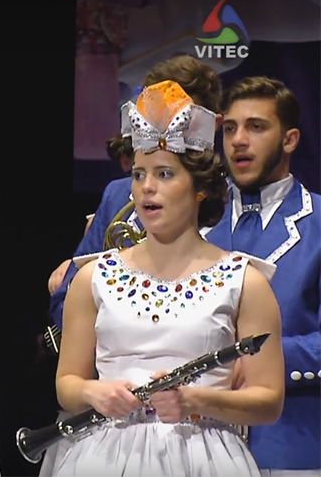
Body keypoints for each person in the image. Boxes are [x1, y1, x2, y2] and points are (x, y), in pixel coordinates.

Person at [42, 80, 284, 476]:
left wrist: (194, 401)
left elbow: (268, 399)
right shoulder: (94, 277)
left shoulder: (245, 280)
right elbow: (67, 382)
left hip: (204, 457)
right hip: (104, 457)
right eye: (139, 174)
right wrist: (94, 392)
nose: (146, 188)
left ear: (200, 187)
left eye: (165, 174)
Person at [47, 55, 223, 327]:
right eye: (154, 112)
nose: (163, 127)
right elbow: (63, 305)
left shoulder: (236, 207)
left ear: (212, 125)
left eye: (179, 116)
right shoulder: (118, 196)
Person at [206, 76, 320, 475]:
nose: (238, 140)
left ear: (289, 140)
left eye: (256, 127)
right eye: (230, 128)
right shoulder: (189, 225)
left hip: (292, 445)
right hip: (195, 446)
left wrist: (255, 364)